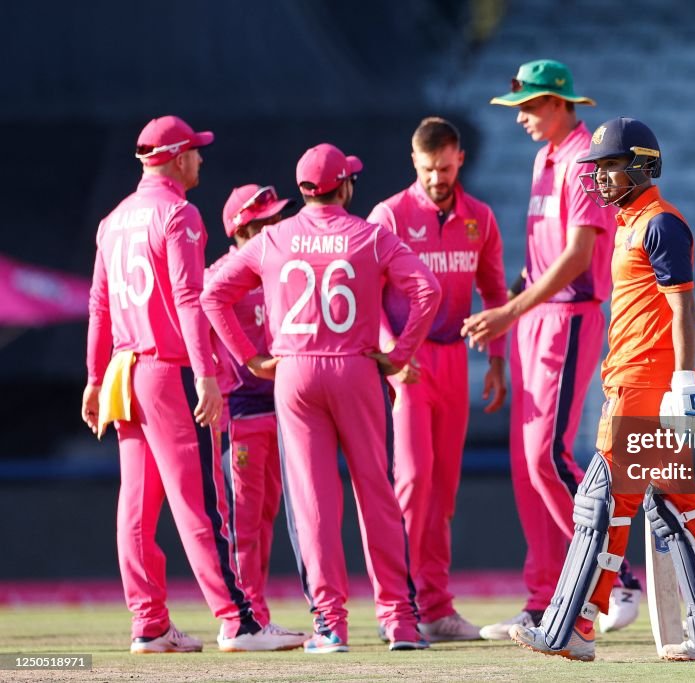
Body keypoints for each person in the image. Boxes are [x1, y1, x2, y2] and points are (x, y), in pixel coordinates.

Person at [510, 117, 695, 662]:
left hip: (643, 390)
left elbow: (681, 306)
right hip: (636, 384)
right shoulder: (631, 222)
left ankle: (570, 628)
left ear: (644, 165)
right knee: (678, 509)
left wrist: (686, 382)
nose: (600, 177)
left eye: (612, 166)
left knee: (600, 506)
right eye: (597, 168)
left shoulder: (660, 223)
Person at [201, 143, 441, 654]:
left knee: (311, 502)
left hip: (295, 374)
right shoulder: (372, 236)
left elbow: (212, 293)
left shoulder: (273, 239)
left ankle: (330, 627)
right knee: (376, 492)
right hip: (355, 368)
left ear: (303, 190)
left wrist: (249, 358)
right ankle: (398, 620)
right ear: (345, 186)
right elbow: (427, 289)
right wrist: (400, 351)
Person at [82, 115, 305, 653]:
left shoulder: (113, 221)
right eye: (196, 152)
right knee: (202, 503)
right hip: (168, 369)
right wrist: (206, 372)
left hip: (124, 369)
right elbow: (188, 298)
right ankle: (240, 622)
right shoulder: (178, 213)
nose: (202, 159)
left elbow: (99, 307)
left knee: (136, 505)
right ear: (178, 157)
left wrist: (93, 380)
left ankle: (150, 624)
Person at [464, 59, 640, 639]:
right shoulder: (546, 157)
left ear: (563, 103)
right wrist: (515, 299)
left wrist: (510, 310)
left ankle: (620, 579)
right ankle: (543, 597)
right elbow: (544, 253)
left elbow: (577, 257)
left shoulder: (585, 160)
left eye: (532, 105)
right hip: (536, 316)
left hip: (567, 317)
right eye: (520, 107)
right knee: (525, 465)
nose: (523, 118)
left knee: (548, 456)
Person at [366, 117, 507, 641]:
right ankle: (397, 608)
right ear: (414, 162)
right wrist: (392, 350)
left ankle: (436, 606)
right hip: (410, 362)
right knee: (413, 481)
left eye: (445, 168)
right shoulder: (389, 216)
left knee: (443, 489)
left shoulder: (480, 219)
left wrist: (496, 360)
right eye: (428, 169)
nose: (436, 178)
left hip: (454, 360)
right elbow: (369, 293)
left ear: (460, 160)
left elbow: (494, 293)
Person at [206, 183, 296, 639]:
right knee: (242, 521)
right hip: (238, 413)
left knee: (264, 517)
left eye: (278, 219)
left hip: (276, 410)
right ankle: (246, 619)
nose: (277, 228)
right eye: (267, 221)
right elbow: (196, 331)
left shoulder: (278, 269)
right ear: (243, 227)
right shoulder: (220, 276)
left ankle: (257, 614)